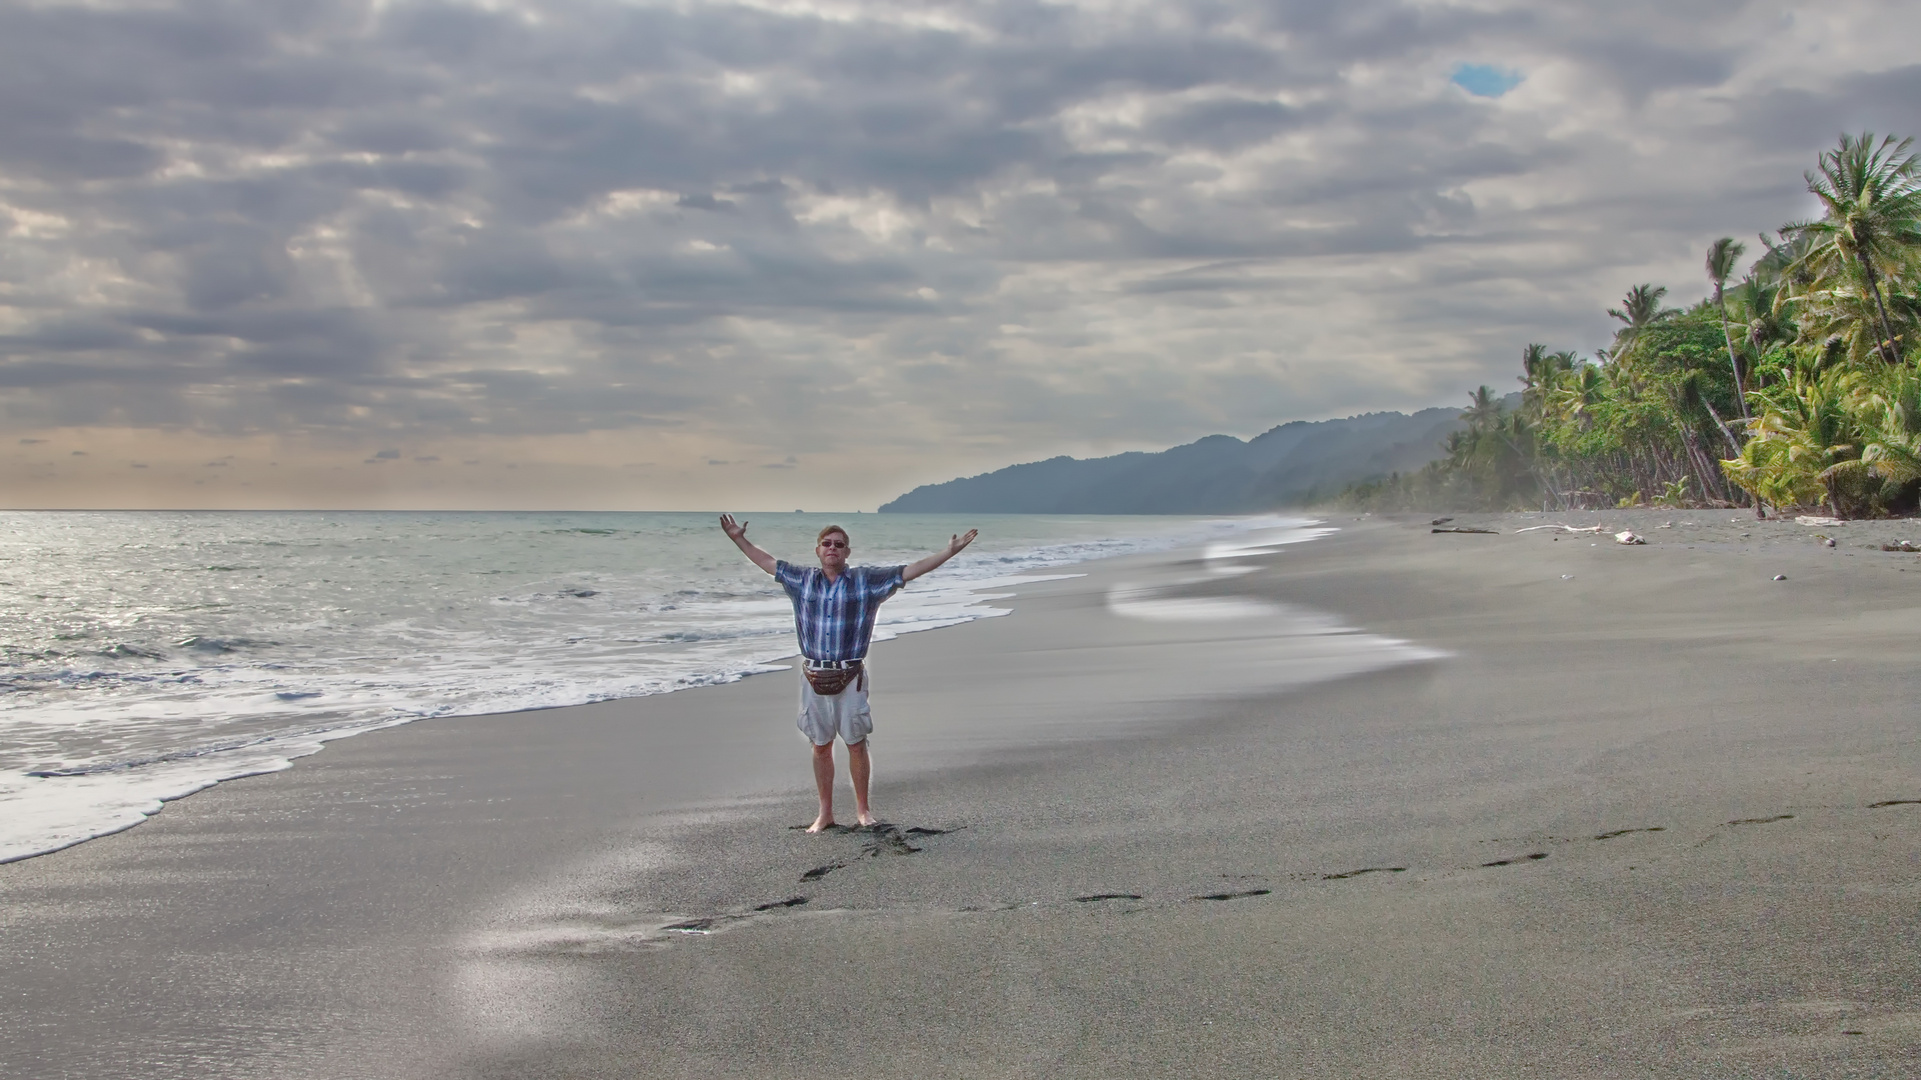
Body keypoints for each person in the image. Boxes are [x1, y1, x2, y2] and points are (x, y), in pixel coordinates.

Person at [719, 515, 978, 832]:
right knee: (820, 745)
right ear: (817, 550)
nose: (832, 548)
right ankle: (825, 813)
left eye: (839, 545)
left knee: (856, 743)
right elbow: (767, 562)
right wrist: (738, 540)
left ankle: (863, 811)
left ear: (847, 552)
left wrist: (948, 552)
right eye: (827, 544)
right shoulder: (802, 580)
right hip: (814, 676)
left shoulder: (865, 582)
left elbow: (908, 571)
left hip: (850, 676)